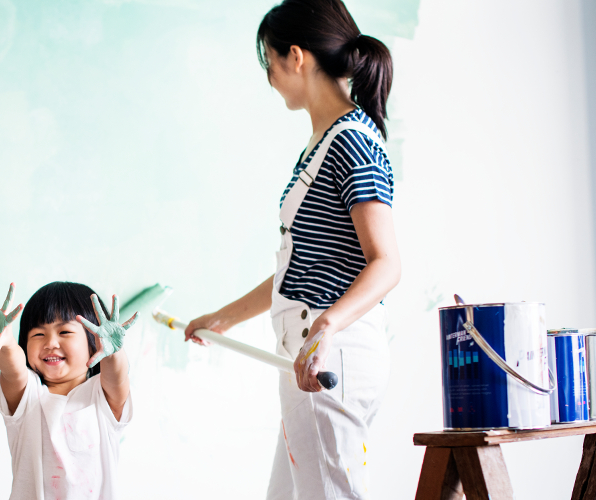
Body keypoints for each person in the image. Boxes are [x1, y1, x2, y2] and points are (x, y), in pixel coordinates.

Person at [183, 1, 400, 498]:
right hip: (314, 350)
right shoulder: (322, 143)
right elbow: (300, 266)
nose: (269, 77)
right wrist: (224, 317)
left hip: (326, 351)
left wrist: (326, 325)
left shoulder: (351, 142)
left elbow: (387, 264)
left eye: (269, 62)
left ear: (296, 57)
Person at [0, 282, 135, 500]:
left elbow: (117, 375)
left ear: (94, 343)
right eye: (38, 334)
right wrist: (6, 341)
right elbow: (13, 369)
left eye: (64, 331)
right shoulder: (27, 397)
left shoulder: (102, 397)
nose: (50, 343)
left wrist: (114, 352)